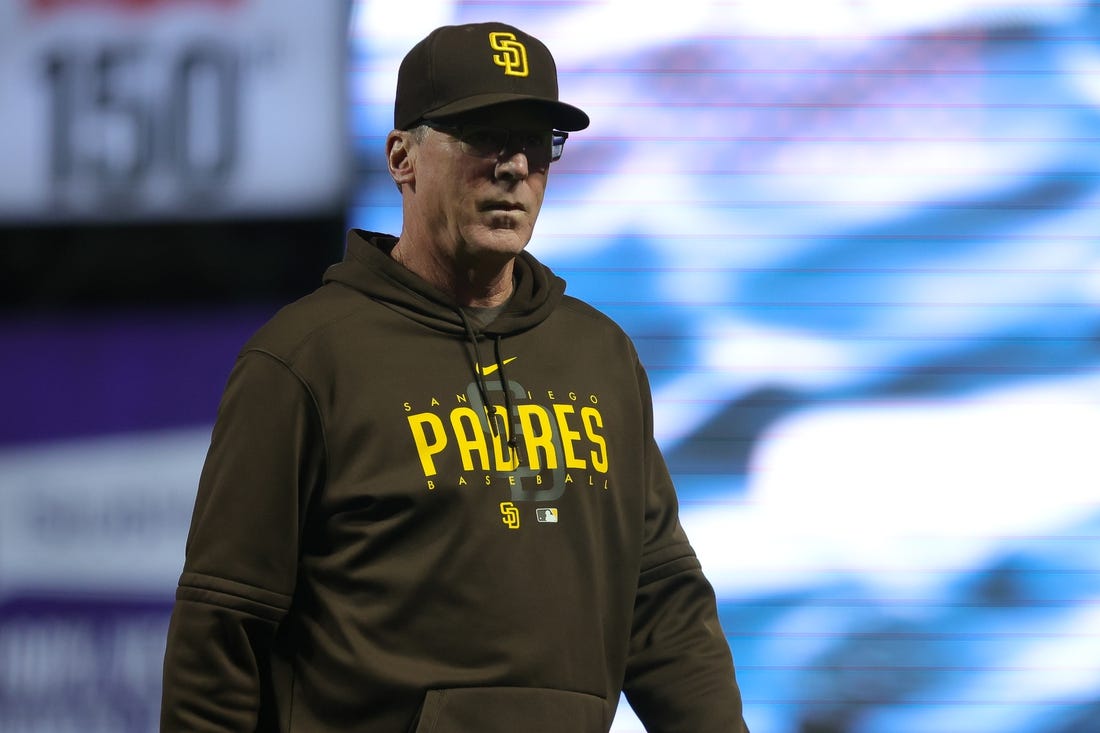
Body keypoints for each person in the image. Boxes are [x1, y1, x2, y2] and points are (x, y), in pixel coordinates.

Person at [160, 21, 749, 733]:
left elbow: (661, 607)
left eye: (537, 142)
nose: (514, 168)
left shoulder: (600, 358)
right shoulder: (305, 360)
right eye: (483, 136)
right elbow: (225, 629)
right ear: (402, 158)